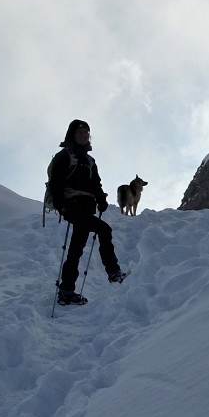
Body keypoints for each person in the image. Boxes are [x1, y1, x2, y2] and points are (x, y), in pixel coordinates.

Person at [47, 119, 127, 305]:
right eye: (80, 133)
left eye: (86, 133)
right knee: (104, 230)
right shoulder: (65, 156)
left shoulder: (90, 161)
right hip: (73, 206)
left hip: (86, 207)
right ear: (72, 135)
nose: (84, 136)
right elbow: (56, 184)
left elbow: (95, 184)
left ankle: (66, 291)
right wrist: (62, 207)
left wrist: (101, 200)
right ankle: (113, 273)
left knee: (75, 249)